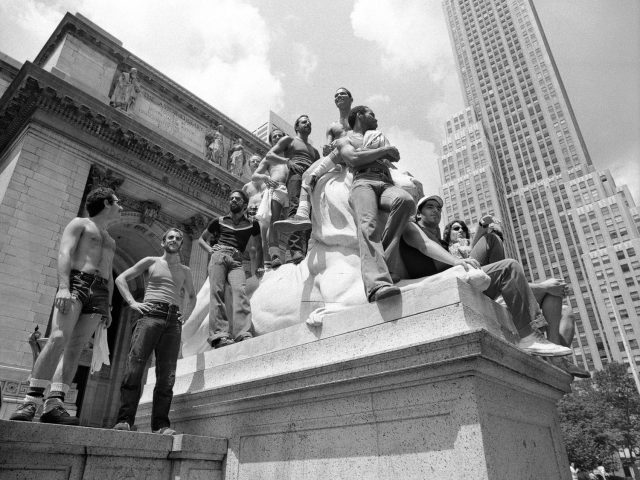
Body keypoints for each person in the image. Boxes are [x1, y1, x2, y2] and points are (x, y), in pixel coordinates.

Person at [399, 194, 572, 356]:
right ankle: (529, 334)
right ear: (418, 214)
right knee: (508, 267)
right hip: (447, 279)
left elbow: (471, 251)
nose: (436, 210)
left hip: (462, 275)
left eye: (438, 208)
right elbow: (425, 245)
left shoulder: (444, 244)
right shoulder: (410, 226)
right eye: (430, 207)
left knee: (493, 242)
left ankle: (548, 344)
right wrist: (455, 261)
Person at [10, 187, 122, 424]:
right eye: (117, 202)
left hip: (100, 291)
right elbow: (65, 252)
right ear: (106, 202)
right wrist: (63, 286)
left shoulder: (111, 239)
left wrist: (109, 306)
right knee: (58, 338)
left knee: (77, 347)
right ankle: (30, 400)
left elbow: (110, 275)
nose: (121, 206)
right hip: (77, 282)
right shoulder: (80, 223)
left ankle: (54, 404)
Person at [443, 216, 589, 377]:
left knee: (565, 310)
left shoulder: (489, 255)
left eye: (463, 229)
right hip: (477, 283)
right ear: (447, 233)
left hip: (496, 281)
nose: (461, 231)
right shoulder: (449, 251)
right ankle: (554, 355)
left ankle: (555, 355)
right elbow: (474, 251)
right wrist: (544, 286)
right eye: (456, 229)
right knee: (548, 287)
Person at [112, 228, 196, 434]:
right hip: (150, 315)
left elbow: (192, 296)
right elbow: (121, 278)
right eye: (170, 238)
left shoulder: (186, 271)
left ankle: (161, 425)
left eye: (178, 238)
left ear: (181, 244)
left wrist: (185, 314)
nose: (174, 240)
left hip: (173, 321)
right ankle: (125, 420)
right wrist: (132, 302)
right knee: (135, 367)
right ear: (163, 242)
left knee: (167, 375)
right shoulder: (151, 261)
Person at [338, 105, 415, 302]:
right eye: (372, 113)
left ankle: (385, 261)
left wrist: (382, 151)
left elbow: (395, 155)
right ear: (359, 115)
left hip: (386, 183)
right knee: (368, 225)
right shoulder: (345, 139)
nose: (376, 117)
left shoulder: (378, 136)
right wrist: (383, 151)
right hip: (362, 182)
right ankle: (377, 284)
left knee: (405, 201)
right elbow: (354, 159)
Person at [275, 88, 353, 234]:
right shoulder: (332, 126)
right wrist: (327, 149)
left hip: (354, 154)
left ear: (350, 98)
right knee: (308, 175)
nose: (338, 96)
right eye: (336, 95)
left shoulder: (358, 119)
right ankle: (303, 213)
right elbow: (327, 147)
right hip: (337, 158)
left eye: (342, 94)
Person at [199, 190, 262, 348]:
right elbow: (201, 239)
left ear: (245, 205)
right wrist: (210, 250)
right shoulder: (218, 221)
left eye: (237, 199)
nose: (233, 200)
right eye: (231, 198)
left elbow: (258, 246)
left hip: (237, 260)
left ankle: (243, 333)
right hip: (219, 256)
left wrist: (259, 266)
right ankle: (219, 335)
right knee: (217, 292)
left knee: (240, 291)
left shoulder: (252, 224)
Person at [263, 115, 320, 265]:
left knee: (308, 213)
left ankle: (305, 248)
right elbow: (270, 154)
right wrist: (287, 161)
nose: (307, 123)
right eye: (303, 121)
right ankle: (295, 249)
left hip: (310, 179)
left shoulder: (315, 151)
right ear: (296, 127)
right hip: (295, 175)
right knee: (294, 209)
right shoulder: (289, 140)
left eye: (309, 121)